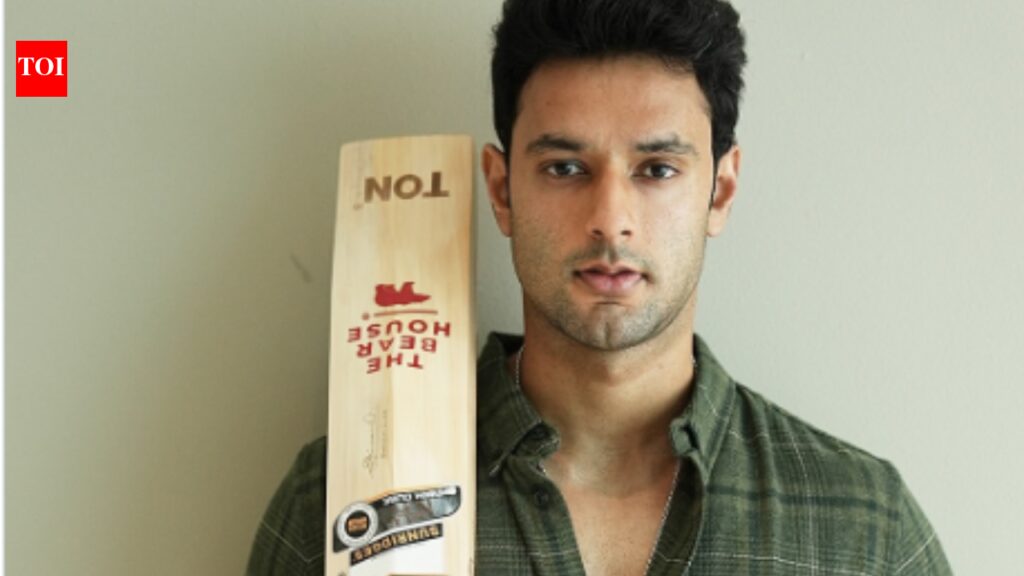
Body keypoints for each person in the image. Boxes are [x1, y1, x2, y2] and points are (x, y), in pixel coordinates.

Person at [247, 0, 953, 574]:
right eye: (564, 168)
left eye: (657, 170)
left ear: (720, 190)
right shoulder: (337, 503)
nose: (610, 220)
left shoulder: (865, 531)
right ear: (502, 190)